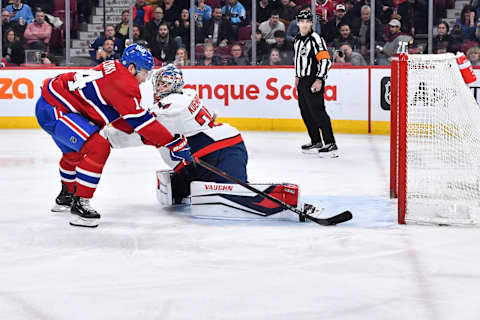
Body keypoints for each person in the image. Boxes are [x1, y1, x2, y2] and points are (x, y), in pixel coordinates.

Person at [102, 65, 298, 216]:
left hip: (221, 152)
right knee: (178, 190)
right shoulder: (185, 95)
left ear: (175, 85)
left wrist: (105, 136)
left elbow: (141, 132)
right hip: (216, 149)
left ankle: (273, 198)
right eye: (160, 83)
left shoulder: (172, 106)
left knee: (238, 196)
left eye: (166, 84)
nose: (161, 88)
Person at [34, 44, 191, 228]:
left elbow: (120, 119)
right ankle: (80, 203)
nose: (146, 78)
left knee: (73, 155)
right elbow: (140, 121)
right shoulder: (125, 83)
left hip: (55, 104)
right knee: (98, 147)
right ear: (132, 68)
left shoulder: (117, 69)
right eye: (145, 73)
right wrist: (171, 141)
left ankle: (65, 197)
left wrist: (152, 138)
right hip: (56, 109)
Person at [293, 10, 337, 157]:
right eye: (302, 21)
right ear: (298, 23)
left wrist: (320, 79)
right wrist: (297, 76)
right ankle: (316, 140)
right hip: (303, 81)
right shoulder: (297, 40)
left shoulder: (316, 39)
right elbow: (298, 60)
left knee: (318, 111)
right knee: (305, 111)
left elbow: (325, 60)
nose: (304, 24)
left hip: (313, 79)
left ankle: (330, 142)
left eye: (307, 21)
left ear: (312, 23)